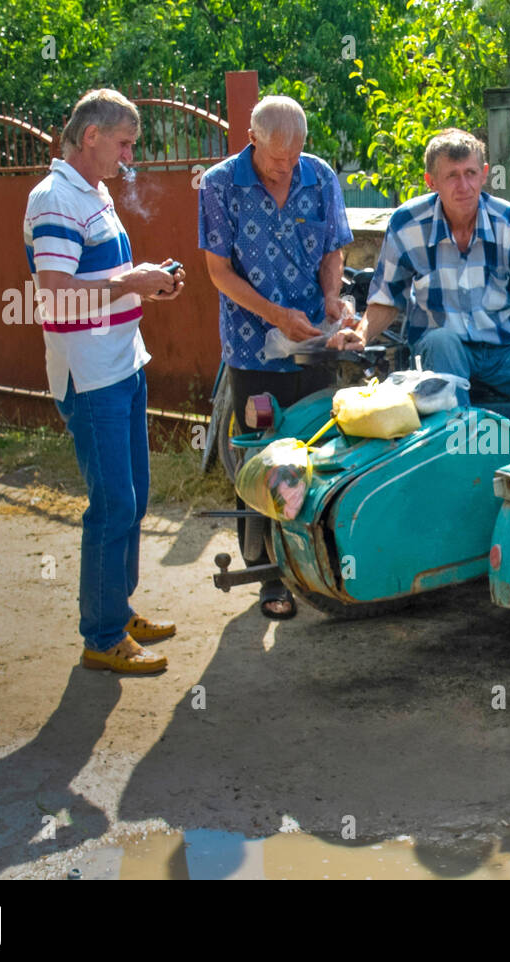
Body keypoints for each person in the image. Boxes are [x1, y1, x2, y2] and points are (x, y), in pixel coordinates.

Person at [23, 89, 185, 674]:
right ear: (91, 136)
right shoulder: (54, 198)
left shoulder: (93, 191)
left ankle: (116, 610)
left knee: (134, 497)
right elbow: (56, 294)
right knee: (113, 502)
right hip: (90, 375)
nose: (128, 158)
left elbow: (101, 278)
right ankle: (101, 635)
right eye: (123, 144)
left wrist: (149, 283)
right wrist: (131, 282)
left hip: (122, 362)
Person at [198, 96, 353, 620]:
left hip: (314, 340)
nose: (285, 167)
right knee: (262, 454)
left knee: (319, 452)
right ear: (251, 136)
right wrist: (274, 315)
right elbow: (219, 271)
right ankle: (266, 574)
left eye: (294, 157)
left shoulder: (320, 176)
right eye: (275, 158)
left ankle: (316, 566)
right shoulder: (220, 184)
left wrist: (333, 297)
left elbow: (334, 248)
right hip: (251, 345)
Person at [328, 128, 510, 407]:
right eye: (452, 176)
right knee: (442, 340)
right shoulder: (407, 224)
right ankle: (460, 440)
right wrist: (360, 334)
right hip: (440, 349)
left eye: (470, 173)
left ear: (484, 174)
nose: (464, 186)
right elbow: (386, 300)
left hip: (506, 351)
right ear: (431, 182)